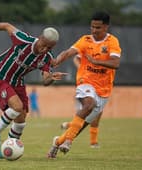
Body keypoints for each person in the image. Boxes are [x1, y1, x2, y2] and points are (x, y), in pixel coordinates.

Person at [0, 22, 68, 158]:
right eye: (44, 44)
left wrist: (51, 78)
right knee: (17, 107)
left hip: (17, 81)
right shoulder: (23, 40)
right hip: (1, 75)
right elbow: (6, 25)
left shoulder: (47, 58)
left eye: (49, 47)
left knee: (21, 118)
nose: (45, 49)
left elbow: (45, 81)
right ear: (40, 38)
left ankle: (9, 145)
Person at [47, 11, 122, 158]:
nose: (94, 30)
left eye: (98, 27)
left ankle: (57, 142)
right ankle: (68, 141)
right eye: (92, 27)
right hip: (85, 81)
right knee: (89, 104)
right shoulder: (85, 40)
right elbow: (69, 52)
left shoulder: (112, 42)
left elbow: (115, 63)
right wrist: (56, 61)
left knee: (81, 126)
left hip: (104, 89)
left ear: (106, 27)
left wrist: (96, 61)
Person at [60, 55, 103, 149]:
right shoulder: (89, 47)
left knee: (96, 116)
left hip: (100, 87)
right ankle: (65, 141)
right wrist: (81, 68)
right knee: (85, 116)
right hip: (86, 89)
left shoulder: (108, 51)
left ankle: (68, 126)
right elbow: (76, 57)